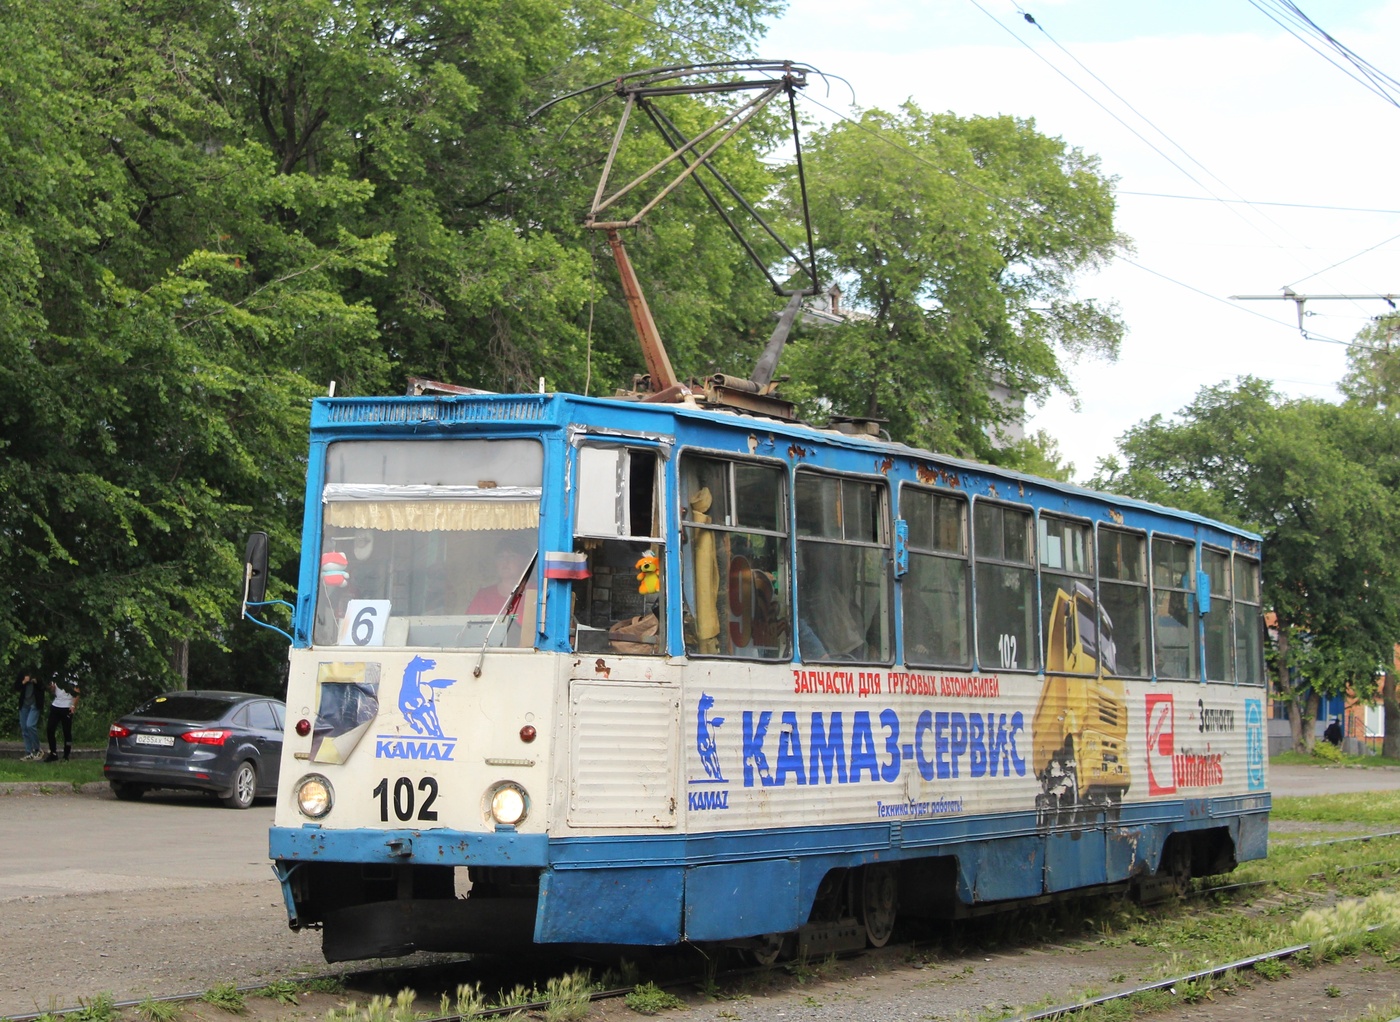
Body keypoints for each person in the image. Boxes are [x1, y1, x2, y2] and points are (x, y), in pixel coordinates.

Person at [44, 676, 80, 763]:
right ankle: (53, 753)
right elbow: (54, 690)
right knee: (50, 729)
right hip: (56, 705)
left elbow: (77, 692)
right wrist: (52, 688)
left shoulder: (73, 676)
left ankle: (66, 755)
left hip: (67, 706)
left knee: (67, 731)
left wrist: (73, 705)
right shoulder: (56, 675)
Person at [13, 672, 42, 760]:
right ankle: (29, 752)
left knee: (30, 725)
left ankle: (37, 748)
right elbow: (16, 687)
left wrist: (37, 682)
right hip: (24, 705)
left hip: (34, 704)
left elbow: (44, 687)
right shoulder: (23, 673)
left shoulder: (39, 673)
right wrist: (24, 682)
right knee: (24, 728)